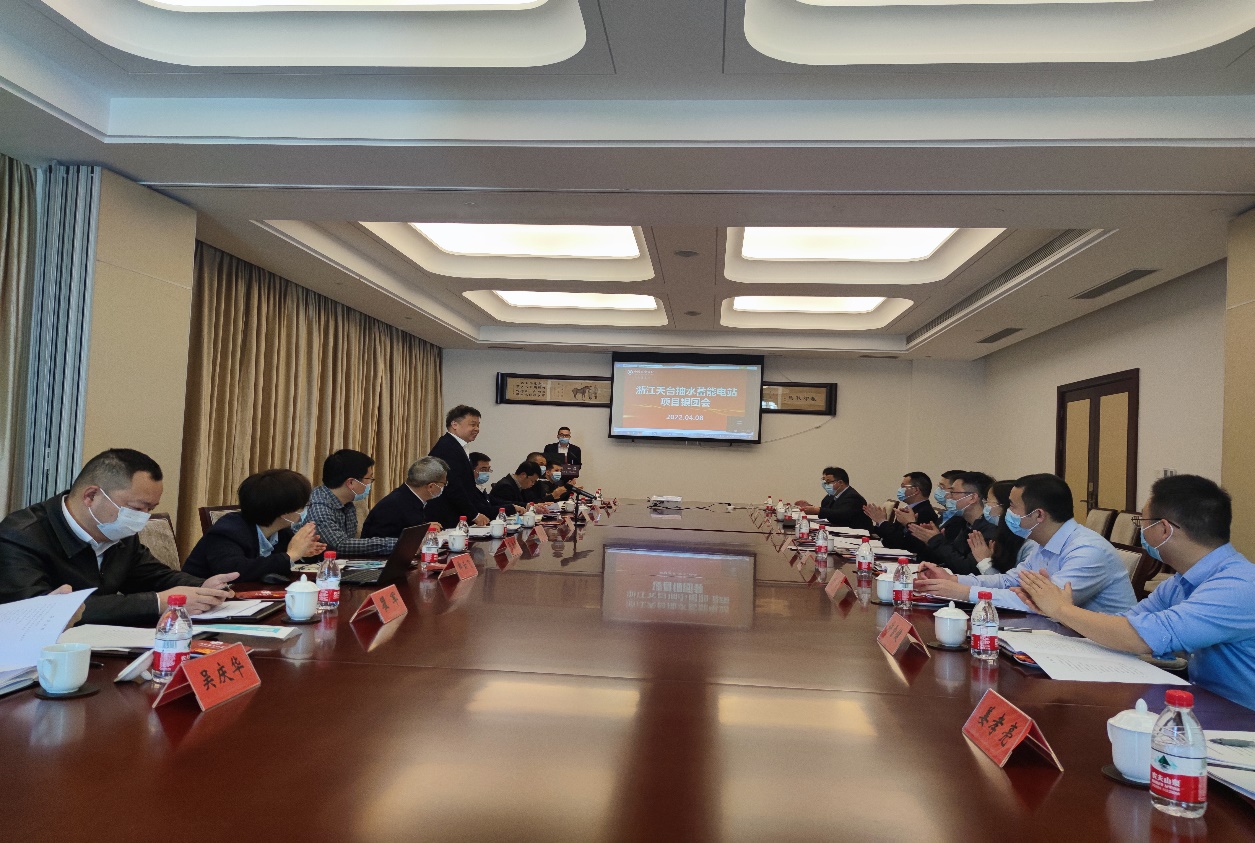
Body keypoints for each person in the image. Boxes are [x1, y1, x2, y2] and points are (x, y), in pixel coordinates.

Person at [1018, 475, 1255, 711]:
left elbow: (1142, 638)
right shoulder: (1180, 582)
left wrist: (1062, 609)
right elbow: (1126, 622)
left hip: (1241, 718)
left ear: (1164, 529)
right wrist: (1060, 610)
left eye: (1142, 521)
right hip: (1203, 703)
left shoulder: (1239, 586)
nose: (1141, 529)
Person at [0, 448, 237, 626]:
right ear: (91, 496)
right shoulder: (21, 535)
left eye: (150, 509)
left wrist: (202, 587)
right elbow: (37, 612)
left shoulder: (117, 532)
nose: (143, 518)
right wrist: (157, 603)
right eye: (137, 508)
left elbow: (153, 576)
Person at [914, 473, 1135, 615]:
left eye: (1012, 506)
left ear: (1038, 515)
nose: (1006, 513)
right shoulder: (1044, 543)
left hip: (1107, 653)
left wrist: (964, 592)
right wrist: (953, 580)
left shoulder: (1087, 550)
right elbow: (1009, 580)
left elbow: (1041, 604)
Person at [183, 469, 326, 581]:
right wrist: (291, 555)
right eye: (303, 506)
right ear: (284, 513)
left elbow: (276, 564)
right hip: (199, 603)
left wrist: (304, 553)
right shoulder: (227, 531)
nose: (305, 510)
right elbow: (235, 572)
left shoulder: (281, 531)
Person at [302, 448, 398, 555]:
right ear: (351, 482)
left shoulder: (347, 503)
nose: (370, 484)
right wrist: (397, 544)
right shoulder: (319, 506)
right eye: (369, 479)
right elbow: (340, 545)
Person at [905, 471, 999, 574]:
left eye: (953, 492)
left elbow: (967, 569)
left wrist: (937, 541)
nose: (947, 497)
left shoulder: (989, 529)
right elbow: (949, 560)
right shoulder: (966, 524)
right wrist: (930, 540)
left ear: (972, 498)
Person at [429, 405, 492, 526]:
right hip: (447, 516)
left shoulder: (456, 446)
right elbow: (453, 486)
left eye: (478, 425)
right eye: (472, 424)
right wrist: (474, 515)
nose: (477, 429)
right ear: (454, 425)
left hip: (456, 515)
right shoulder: (447, 447)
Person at [361, 457, 450, 537]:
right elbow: (379, 543)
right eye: (444, 483)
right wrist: (420, 531)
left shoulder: (408, 497)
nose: (444, 487)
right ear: (431, 486)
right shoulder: (394, 505)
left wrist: (423, 528)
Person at [967, 479, 1033, 575]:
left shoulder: (1030, 544)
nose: (985, 506)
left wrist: (984, 562)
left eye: (988, 501)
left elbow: (1012, 582)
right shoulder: (1003, 535)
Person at [864, 472, 939, 551]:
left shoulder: (925, 513)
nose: (900, 490)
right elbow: (893, 533)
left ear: (916, 490)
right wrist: (880, 523)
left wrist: (882, 521)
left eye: (903, 486)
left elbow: (900, 541)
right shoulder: (909, 508)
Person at [795, 467, 872, 530]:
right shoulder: (832, 495)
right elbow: (828, 510)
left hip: (857, 535)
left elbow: (841, 514)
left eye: (828, 482)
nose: (826, 485)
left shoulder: (853, 497)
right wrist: (810, 507)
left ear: (840, 483)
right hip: (840, 530)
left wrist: (817, 510)